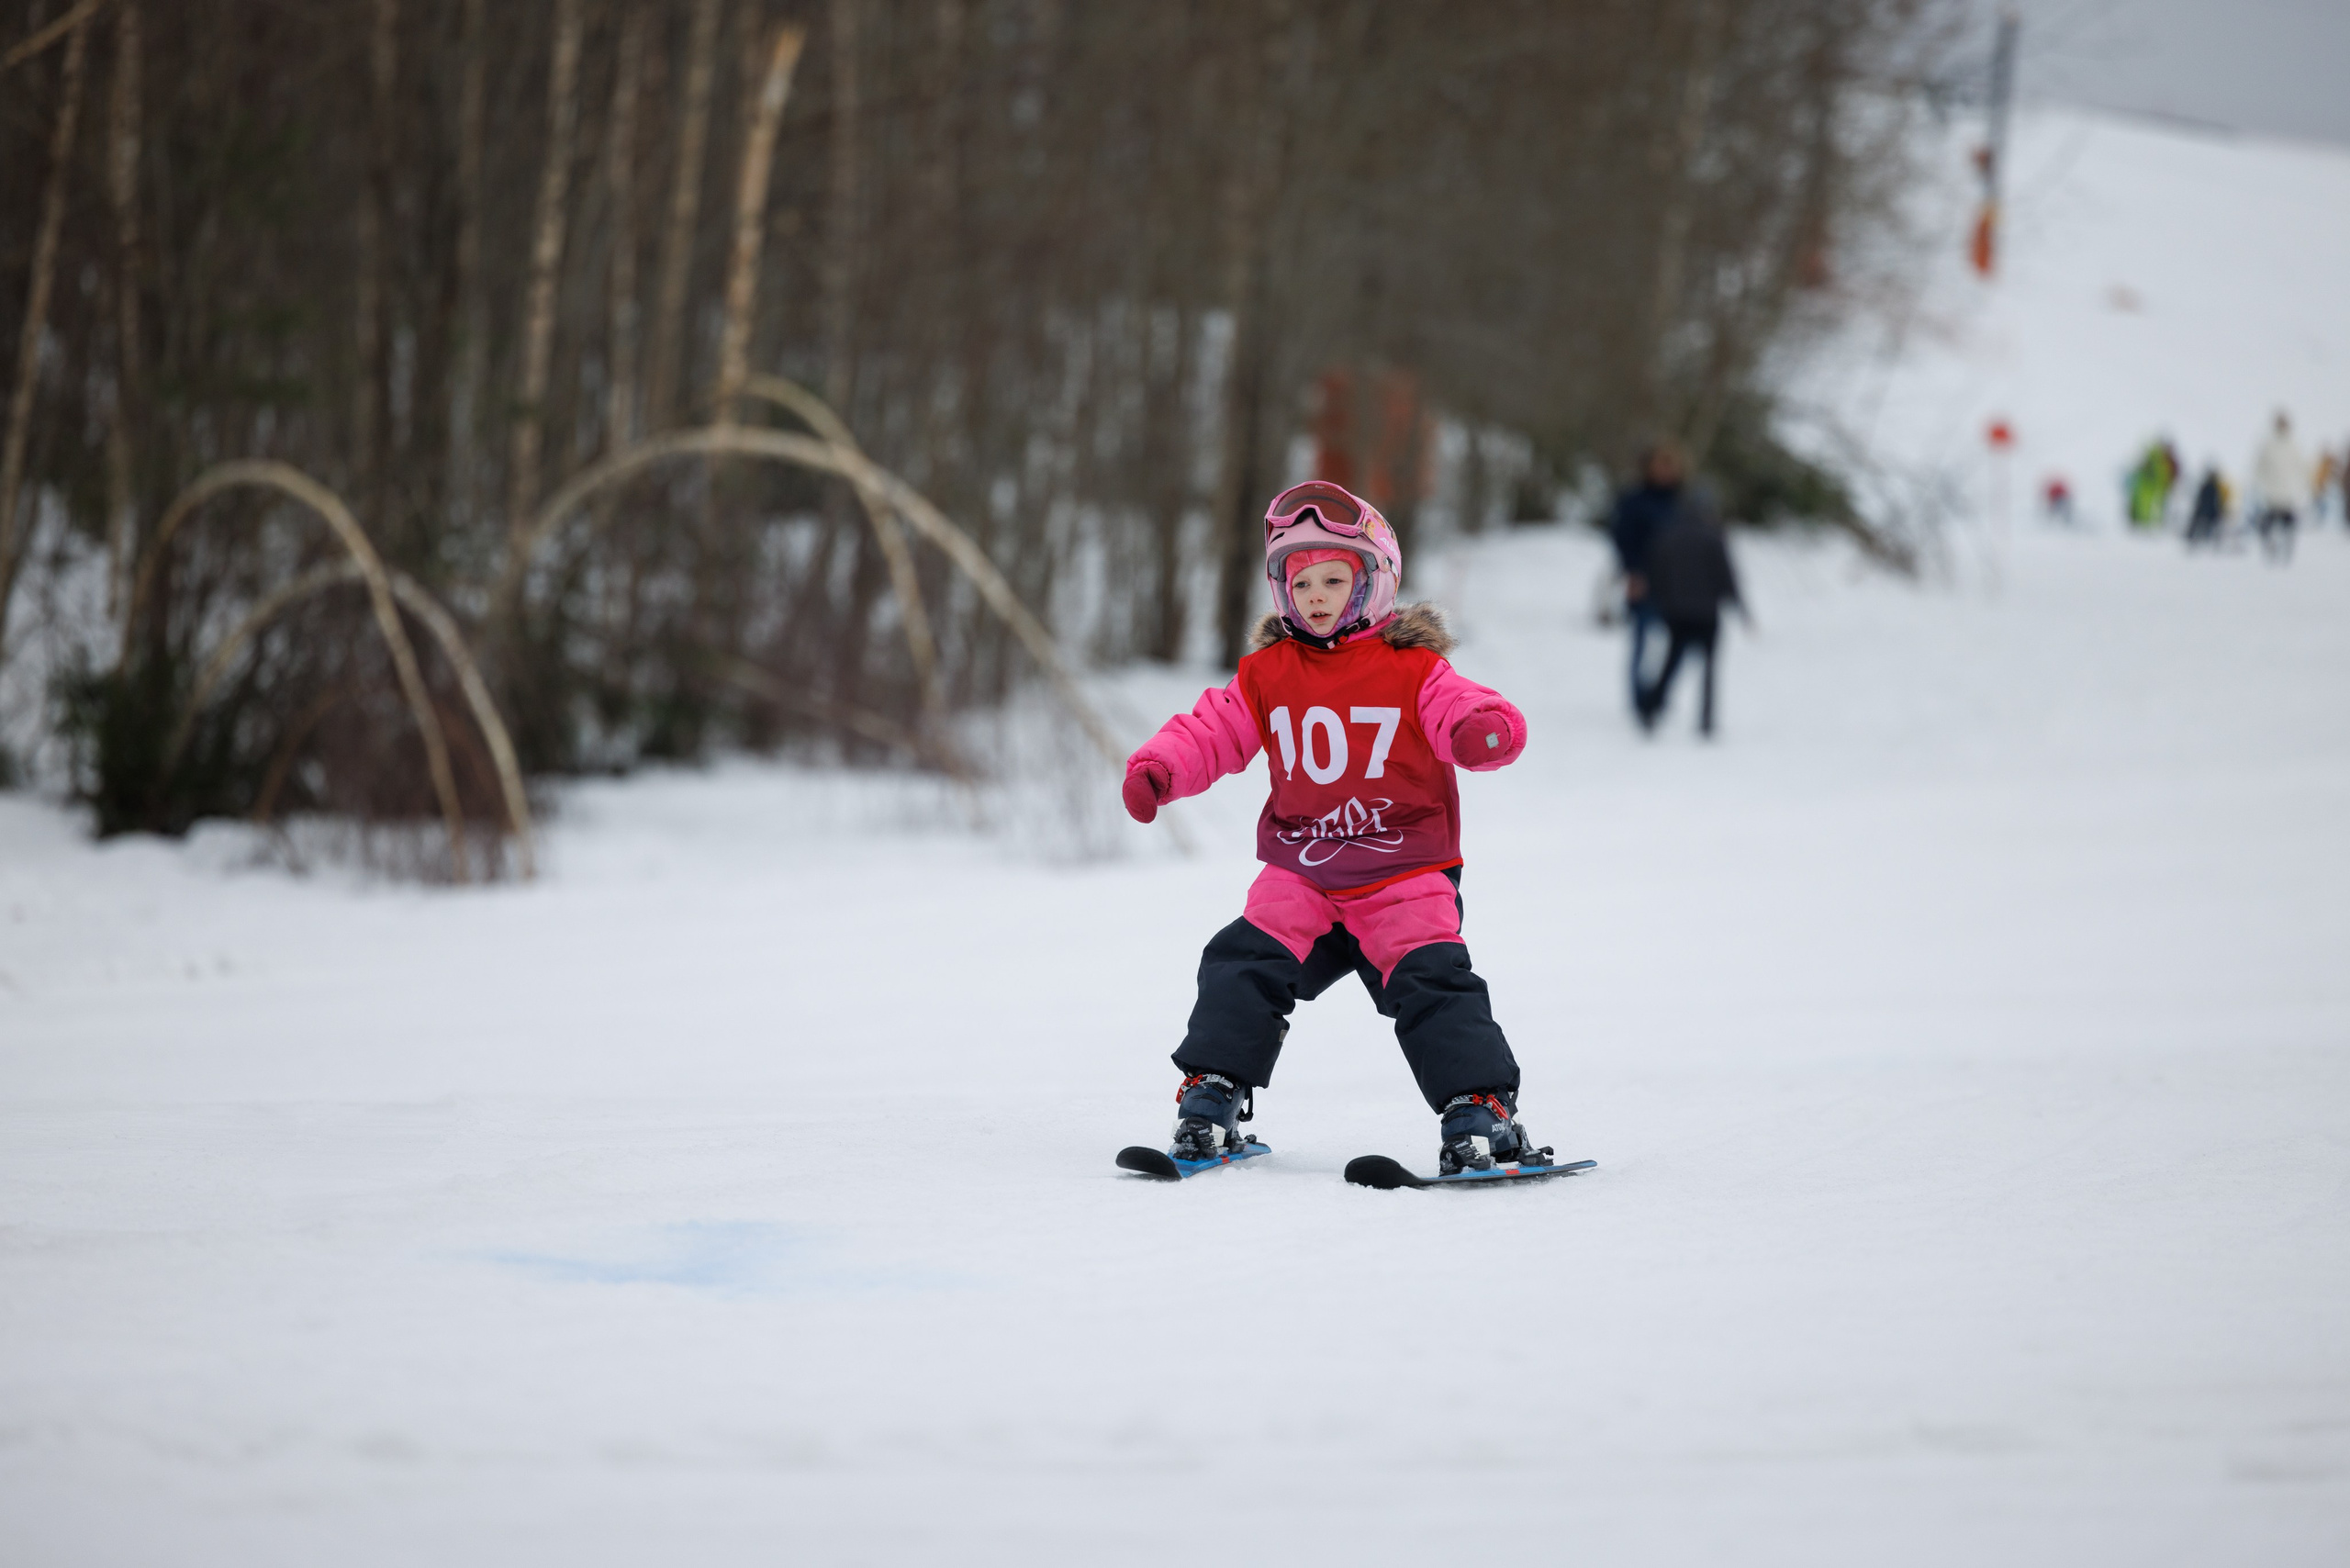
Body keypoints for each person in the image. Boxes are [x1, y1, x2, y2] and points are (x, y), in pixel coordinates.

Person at [1120, 479, 1549, 1177]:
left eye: (1331, 578)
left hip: (1403, 871)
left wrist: (1480, 731)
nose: (1314, 595)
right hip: (1304, 871)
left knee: (1432, 979)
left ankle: (1480, 1109)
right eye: (1300, 582)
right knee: (1242, 960)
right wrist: (1162, 769)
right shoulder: (1268, 673)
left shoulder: (1413, 667)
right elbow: (1212, 730)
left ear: (1372, 583)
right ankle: (1212, 1096)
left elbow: (1459, 706)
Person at [1636, 503, 1746, 736]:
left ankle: (1652, 709)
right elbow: (1726, 574)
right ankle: (1706, 718)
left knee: (1670, 663)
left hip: (1676, 613)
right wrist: (1740, 607)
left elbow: (1656, 573)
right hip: (1707, 614)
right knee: (1709, 668)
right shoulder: (1713, 537)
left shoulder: (1668, 536)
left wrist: (1660, 602)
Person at [1608, 444, 1689, 716]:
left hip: (1677, 585)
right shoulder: (1634, 500)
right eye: (1660, 465)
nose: (1665, 471)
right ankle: (1639, 700)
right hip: (1644, 581)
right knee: (1642, 642)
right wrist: (1632, 572)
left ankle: (1659, 695)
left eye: (1670, 465)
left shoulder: (1682, 502)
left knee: (1677, 644)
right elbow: (1622, 538)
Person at [2249, 411, 2311, 563]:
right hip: (2271, 495)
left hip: (2288, 495)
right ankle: (2270, 548)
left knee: (2289, 527)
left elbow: (2302, 469)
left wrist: (2302, 489)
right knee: (2267, 526)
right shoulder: (2268, 445)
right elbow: (2258, 468)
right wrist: (2258, 487)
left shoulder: (2293, 446)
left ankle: (2286, 552)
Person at [2185, 466, 2226, 549]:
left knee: (2206, 526)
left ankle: (2204, 540)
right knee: (2200, 525)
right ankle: (2194, 539)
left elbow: (2215, 501)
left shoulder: (2213, 487)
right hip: (2207, 511)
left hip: (2208, 511)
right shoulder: (2210, 487)